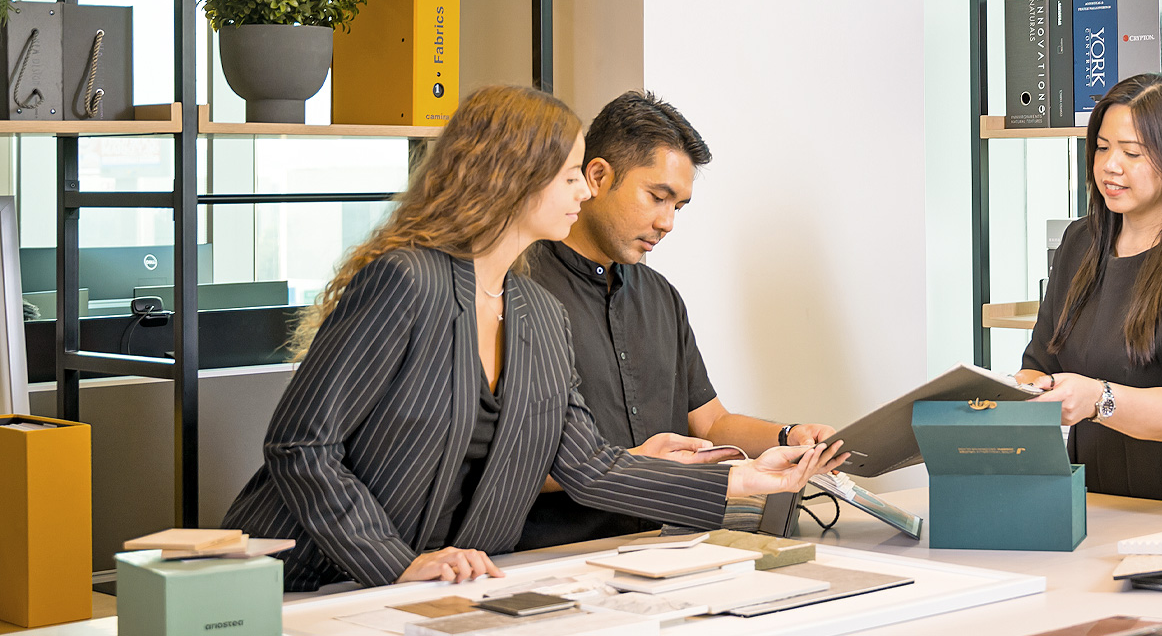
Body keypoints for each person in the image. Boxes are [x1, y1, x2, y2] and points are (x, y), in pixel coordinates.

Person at [223, 85, 841, 591]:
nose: (583, 189)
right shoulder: (406, 280)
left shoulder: (538, 315)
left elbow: (591, 469)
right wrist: (395, 563)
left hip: (429, 581)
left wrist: (749, 478)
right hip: (303, 579)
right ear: (512, 177)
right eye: (572, 175)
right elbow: (300, 442)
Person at [519, 92, 838, 549]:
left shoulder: (660, 298)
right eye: (657, 197)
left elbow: (710, 424)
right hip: (553, 554)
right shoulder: (521, 291)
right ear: (597, 176)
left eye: (679, 207)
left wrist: (790, 437)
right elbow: (500, 464)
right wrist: (635, 464)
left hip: (667, 547)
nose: (667, 222)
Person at [1014, 73, 1162, 506]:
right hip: (1090, 494)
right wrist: (1025, 391)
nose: (1110, 166)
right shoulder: (1078, 243)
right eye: (1102, 148)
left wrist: (1096, 399)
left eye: (1132, 152)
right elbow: (1039, 362)